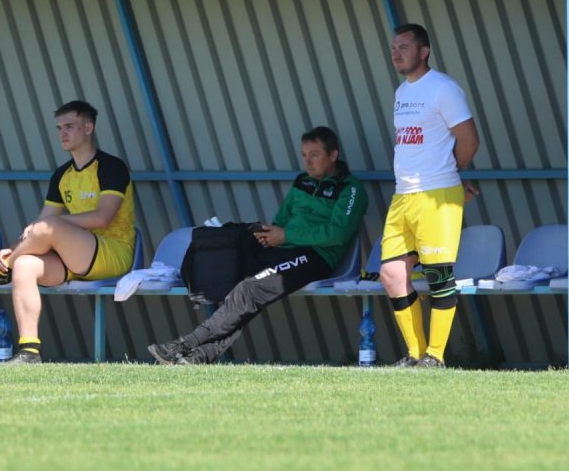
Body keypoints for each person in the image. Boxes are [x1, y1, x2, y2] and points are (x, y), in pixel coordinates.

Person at [148, 126, 368, 365]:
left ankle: (185, 344)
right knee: (234, 274)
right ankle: (199, 357)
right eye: (304, 155)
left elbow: (337, 234)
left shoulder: (350, 189)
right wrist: (269, 234)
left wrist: (286, 235)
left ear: (333, 155)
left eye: (314, 155)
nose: (307, 162)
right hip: (283, 250)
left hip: (316, 256)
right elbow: (282, 219)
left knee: (249, 290)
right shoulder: (302, 181)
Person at [0, 100, 136, 364]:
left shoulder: (112, 167)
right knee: (25, 265)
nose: (63, 133)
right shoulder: (62, 175)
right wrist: (14, 249)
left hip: (113, 252)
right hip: (75, 256)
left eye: (70, 126)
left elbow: (102, 218)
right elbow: (39, 226)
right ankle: (29, 352)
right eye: (59, 128)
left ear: (88, 128)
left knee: (50, 227)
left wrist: (53, 226)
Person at [380, 23, 480, 368]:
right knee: (391, 273)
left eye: (404, 47)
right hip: (403, 196)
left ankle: (435, 356)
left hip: (436, 194)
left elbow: (469, 140)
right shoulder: (401, 92)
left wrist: (451, 174)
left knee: (438, 275)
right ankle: (414, 353)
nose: (396, 54)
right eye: (394, 48)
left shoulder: (443, 89)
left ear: (424, 51)